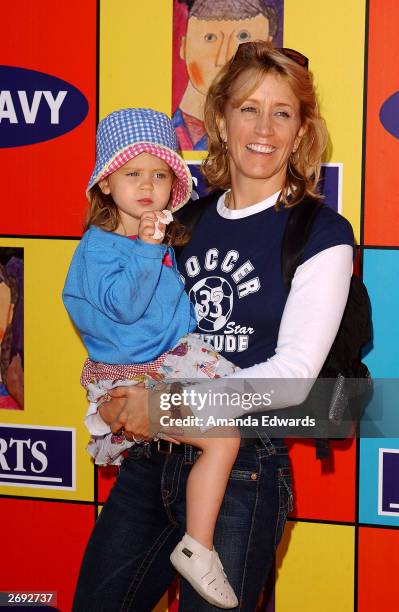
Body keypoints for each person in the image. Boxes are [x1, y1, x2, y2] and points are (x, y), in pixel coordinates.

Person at [72, 43, 354, 611]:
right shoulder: (178, 221)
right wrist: (117, 399)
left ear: (301, 133)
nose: (264, 128)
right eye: (248, 108)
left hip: (242, 465)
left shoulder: (321, 232)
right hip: (150, 456)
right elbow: (119, 320)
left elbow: (295, 379)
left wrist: (166, 406)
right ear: (219, 120)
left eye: (283, 113)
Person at [63, 107, 243, 608]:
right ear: (105, 184)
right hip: (140, 373)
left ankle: (196, 543)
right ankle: (199, 549)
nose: (148, 185)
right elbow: (125, 305)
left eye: (160, 174)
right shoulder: (100, 248)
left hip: (172, 362)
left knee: (239, 416)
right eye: (133, 173)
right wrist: (147, 248)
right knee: (225, 435)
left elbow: (169, 309)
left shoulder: (153, 240)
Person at [173, 0, 279, 150]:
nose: (223, 59)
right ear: (183, 47)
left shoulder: (267, 138)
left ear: (268, 49)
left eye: (243, 36)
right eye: (209, 38)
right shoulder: (164, 134)